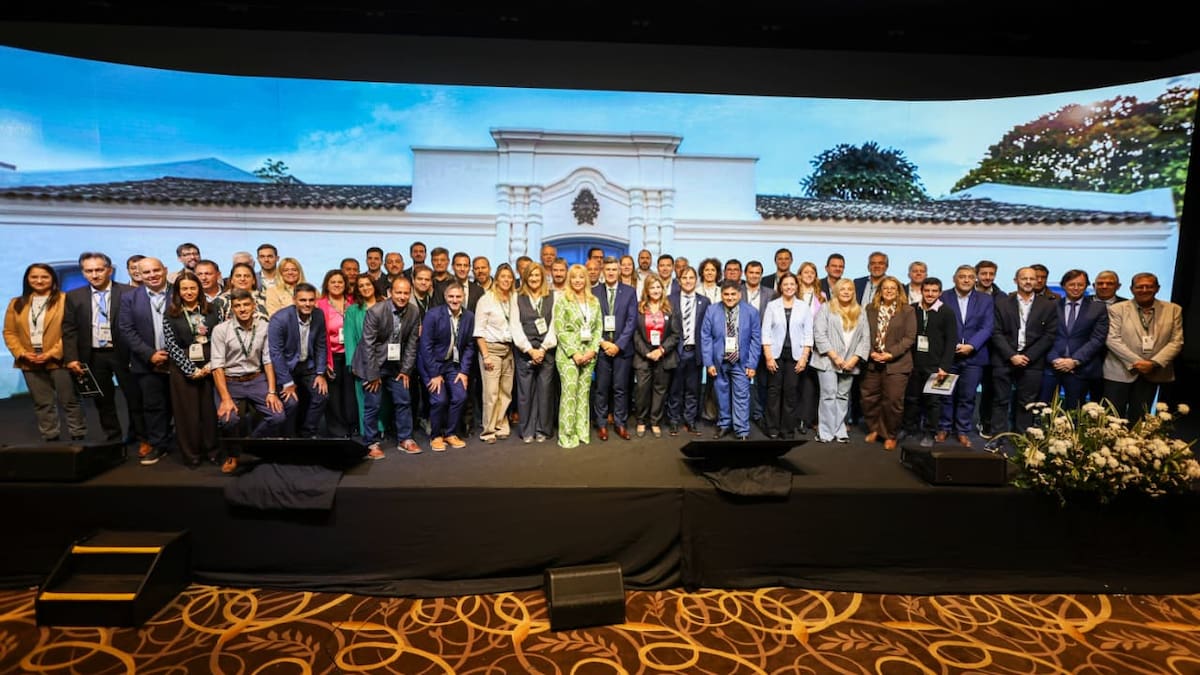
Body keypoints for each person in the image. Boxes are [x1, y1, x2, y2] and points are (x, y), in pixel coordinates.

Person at [210, 289, 293, 473]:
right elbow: (217, 367)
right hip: (230, 380)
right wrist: (226, 399)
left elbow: (268, 360)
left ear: (254, 306)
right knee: (228, 419)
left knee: (278, 416)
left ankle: (249, 443)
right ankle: (233, 455)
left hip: (256, 379)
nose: (242, 309)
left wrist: (272, 392)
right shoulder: (221, 330)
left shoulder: (264, 327)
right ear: (232, 309)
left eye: (246, 304)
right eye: (237, 306)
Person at [62, 252, 140, 445]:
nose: (94, 275)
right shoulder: (74, 296)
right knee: (103, 401)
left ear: (109, 270)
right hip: (93, 355)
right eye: (89, 271)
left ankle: (139, 436)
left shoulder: (129, 292)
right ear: (83, 272)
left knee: (135, 398)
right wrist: (71, 358)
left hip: (124, 353)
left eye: (99, 270)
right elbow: (69, 329)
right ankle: (113, 438)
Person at [4, 263, 87, 442]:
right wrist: (22, 353)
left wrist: (52, 353)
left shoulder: (65, 299)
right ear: (27, 279)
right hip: (29, 360)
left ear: (52, 279)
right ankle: (50, 436)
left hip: (59, 359)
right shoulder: (16, 303)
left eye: (44, 277)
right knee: (42, 402)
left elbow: (72, 330)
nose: (39, 280)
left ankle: (78, 435)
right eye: (34, 277)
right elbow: (9, 332)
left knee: (70, 400)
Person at [353, 276, 422, 459]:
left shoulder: (414, 311)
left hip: (396, 365)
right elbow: (368, 345)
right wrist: (373, 375)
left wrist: (406, 370)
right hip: (373, 363)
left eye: (406, 293)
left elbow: (412, 343)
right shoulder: (376, 311)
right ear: (390, 292)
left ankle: (405, 439)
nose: (402, 296)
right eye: (398, 292)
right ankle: (371, 443)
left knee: (403, 400)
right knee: (373, 405)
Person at [988, 267, 1058, 445]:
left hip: (1032, 361)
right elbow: (995, 332)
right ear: (1015, 281)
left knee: (1026, 403)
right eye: (1024, 278)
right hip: (1004, 359)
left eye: (1032, 279)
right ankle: (998, 437)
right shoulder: (1002, 303)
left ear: (1037, 281)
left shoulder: (1048, 305)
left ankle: (1021, 440)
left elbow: (1049, 335)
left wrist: (1029, 356)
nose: (1028, 282)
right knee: (1000, 400)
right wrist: (1011, 355)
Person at [1103, 272, 1183, 420]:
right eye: (1140, 287)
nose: (1144, 290)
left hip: (1152, 372)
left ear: (1157, 288)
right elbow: (1112, 339)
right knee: (1112, 418)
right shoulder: (1117, 309)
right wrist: (1137, 362)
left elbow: (1176, 341)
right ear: (1132, 289)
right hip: (1119, 371)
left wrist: (1153, 363)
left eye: (1149, 286)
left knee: (1140, 418)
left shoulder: (1173, 310)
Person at [118, 257, 175, 465]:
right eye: (147, 272)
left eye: (156, 270)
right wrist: (150, 354)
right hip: (146, 362)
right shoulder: (129, 298)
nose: (152, 275)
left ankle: (188, 446)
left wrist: (175, 354)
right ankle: (159, 445)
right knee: (154, 406)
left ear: (165, 270)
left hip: (179, 362)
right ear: (139, 275)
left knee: (183, 406)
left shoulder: (180, 292)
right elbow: (126, 329)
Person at [160, 270, 220, 467]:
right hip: (183, 368)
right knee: (187, 413)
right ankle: (191, 453)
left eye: (193, 288)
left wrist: (211, 365)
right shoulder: (171, 313)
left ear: (199, 289)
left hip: (211, 365)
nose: (189, 292)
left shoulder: (213, 309)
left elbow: (221, 338)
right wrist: (190, 369)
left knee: (210, 411)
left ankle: (213, 450)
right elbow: (171, 345)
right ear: (178, 291)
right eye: (184, 289)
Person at [938, 265, 994, 449]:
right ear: (954, 278)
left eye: (970, 276)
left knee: (968, 397)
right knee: (945, 394)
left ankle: (962, 430)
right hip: (948, 356)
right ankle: (944, 427)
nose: (966, 280)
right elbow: (938, 325)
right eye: (962, 276)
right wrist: (951, 345)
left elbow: (987, 327)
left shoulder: (985, 300)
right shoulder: (943, 297)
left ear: (975, 279)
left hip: (974, 357)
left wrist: (971, 345)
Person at [861, 276, 916, 451]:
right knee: (869, 398)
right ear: (880, 291)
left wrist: (890, 354)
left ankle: (890, 434)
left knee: (892, 401)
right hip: (872, 361)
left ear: (899, 291)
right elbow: (863, 333)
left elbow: (909, 338)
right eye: (886, 288)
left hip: (897, 364)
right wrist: (871, 352)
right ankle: (875, 429)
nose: (889, 291)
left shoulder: (907, 310)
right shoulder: (870, 309)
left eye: (893, 288)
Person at [702, 280, 761, 441]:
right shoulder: (712, 310)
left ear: (740, 294)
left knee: (742, 396)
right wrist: (709, 362)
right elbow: (706, 337)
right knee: (721, 396)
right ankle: (724, 424)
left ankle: (742, 430)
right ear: (721, 295)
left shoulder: (751, 312)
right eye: (726, 294)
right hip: (719, 361)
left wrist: (752, 364)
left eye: (733, 294)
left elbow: (756, 340)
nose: (729, 297)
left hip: (741, 362)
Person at [811, 279, 869, 443]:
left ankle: (839, 430)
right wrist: (835, 357)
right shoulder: (826, 308)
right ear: (836, 291)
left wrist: (854, 359)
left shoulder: (860, 311)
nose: (846, 292)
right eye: (842, 289)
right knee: (828, 395)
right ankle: (825, 432)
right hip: (827, 360)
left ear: (853, 292)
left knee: (843, 396)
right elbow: (819, 334)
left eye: (849, 289)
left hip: (850, 362)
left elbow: (865, 339)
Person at [901, 277, 957, 447]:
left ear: (940, 293)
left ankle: (930, 432)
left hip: (936, 366)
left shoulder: (947, 312)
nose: (930, 294)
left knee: (933, 401)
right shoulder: (912, 309)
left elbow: (951, 341)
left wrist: (944, 367)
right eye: (927, 290)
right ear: (921, 291)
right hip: (914, 363)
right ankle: (909, 428)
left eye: (934, 291)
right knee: (911, 399)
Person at [268, 282, 329, 438]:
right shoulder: (279, 319)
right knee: (291, 402)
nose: (307, 304)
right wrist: (287, 382)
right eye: (303, 300)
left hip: (308, 366)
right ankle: (287, 437)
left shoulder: (318, 315)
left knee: (321, 395)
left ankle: (307, 433)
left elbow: (321, 344)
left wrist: (320, 373)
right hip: (286, 368)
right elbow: (276, 353)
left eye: (311, 300)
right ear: (294, 300)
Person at [419, 284, 475, 451]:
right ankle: (436, 435)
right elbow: (425, 347)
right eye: (451, 296)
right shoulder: (433, 315)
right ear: (445, 297)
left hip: (452, 364)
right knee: (439, 399)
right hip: (431, 364)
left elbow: (470, 346)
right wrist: (434, 374)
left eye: (458, 296)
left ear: (463, 297)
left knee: (460, 396)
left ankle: (450, 433)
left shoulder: (469, 317)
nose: (455, 300)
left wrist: (464, 371)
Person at [1044, 269, 1109, 409]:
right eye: (1072, 284)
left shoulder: (1097, 308)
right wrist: (1055, 359)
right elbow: (1044, 336)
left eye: (1080, 285)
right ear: (1063, 286)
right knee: (1045, 411)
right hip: (1052, 367)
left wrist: (1074, 361)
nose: (1076, 288)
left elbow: (1097, 339)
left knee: (1075, 411)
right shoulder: (1051, 306)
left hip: (1081, 369)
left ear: (1086, 286)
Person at [760, 272, 813, 439]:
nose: (789, 287)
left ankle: (787, 429)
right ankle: (772, 428)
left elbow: (808, 334)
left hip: (796, 356)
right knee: (773, 391)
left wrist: (804, 357)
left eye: (792, 284)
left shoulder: (804, 307)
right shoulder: (772, 306)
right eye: (785, 284)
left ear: (796, 286)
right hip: (775, 355)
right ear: (780, 287)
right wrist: (768, 357)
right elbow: (765, 332)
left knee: (791, 392)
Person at [553, 264, 601, 449]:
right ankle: (567, 435)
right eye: (574, 277)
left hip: (589, 353)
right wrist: (574, 353)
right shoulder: (562, 300)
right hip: (568, 355)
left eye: (581, 277)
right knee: (570, 394)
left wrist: (592, 350)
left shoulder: (594, 301)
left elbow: (598, 328)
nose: (578, 280)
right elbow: (560, 329)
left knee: (583, 394)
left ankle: (582, 432)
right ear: (569, 280)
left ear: (586, 279)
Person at [511, 263, 557, 443]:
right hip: (525, 350)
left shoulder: (553, 296)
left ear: (543, 277)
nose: (534, 279)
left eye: (537, 275)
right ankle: (527, 430)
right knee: (525, 393)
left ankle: (542, 430)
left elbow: (554, 325)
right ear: (525, 278)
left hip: (547, 350)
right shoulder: (517, 297)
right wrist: (529, 350)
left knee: (545, 392)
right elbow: (515, 326)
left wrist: (543, 348)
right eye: (531, 275)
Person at [592, 256, 637, 441]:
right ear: (603, 271)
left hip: (622, 350)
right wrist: (602, 342)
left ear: (619, 271)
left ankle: (620, 423)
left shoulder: (630, 292)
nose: (611, 272)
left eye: (614, 269)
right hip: (602, 348)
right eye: (608, 269)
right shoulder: (594, 292)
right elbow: (591, 321)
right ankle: (602, 424)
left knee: (620, 388)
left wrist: (618, 345)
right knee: (601, 389)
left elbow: (632, 321)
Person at [632, 275, 681, 438]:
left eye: (658, 287)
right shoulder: (639, 308)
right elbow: (635, 333)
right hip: (643, 356)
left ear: (663, 289)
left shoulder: (670, 308)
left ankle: (655, 422)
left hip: (664, 356)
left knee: (660, 390)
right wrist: (647, 352)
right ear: (646, 290)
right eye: (652, 287)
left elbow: (675, 334)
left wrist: (661, 350)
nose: (655, 290)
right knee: (642, 390)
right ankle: (641, 420)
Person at [473, 264, 516, 443]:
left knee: (505, 391)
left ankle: (500, 424)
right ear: (496, 279)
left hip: (509, 350)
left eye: (509, 277)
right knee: (491, 393)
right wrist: (486, 356)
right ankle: (488, 431)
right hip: (491, 349)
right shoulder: (486, 300)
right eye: (503, 276)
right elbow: (479, 331)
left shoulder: (514, 298)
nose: (506, 280)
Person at [666, 266, 710, 436]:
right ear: (679, 280)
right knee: (675, 388)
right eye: (684, 278)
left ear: (696, 280)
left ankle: (690, 420)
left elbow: (706, 329)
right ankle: (673, 420)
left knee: (693, 389)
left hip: (695, 352)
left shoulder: (704, 301)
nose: (688, 281)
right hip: (676, 351)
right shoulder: (670, 299)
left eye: (691, 277)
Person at [344, 274, 384, 438]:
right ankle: (368, 432)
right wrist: (352, 363)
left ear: (374, 285)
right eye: (361, 286)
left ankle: (382, 428)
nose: (365, 288)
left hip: (384, 359)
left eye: (368, 284)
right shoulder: (353, 310)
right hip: (362, 361)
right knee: (364, 398)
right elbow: (350, 338)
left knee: (383, 398)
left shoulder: (386, 305)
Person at [317, 269, 354, 437]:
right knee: (334, 397)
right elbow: (318, 336)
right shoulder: (320, 305)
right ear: (327, 285)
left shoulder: (352, 302)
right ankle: (337, 431)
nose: (337, 285)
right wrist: (324, 361)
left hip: (351, 355)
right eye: (333, 282)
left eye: (340, 282)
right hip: (331, 356)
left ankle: (351, 428)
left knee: (350, 395)